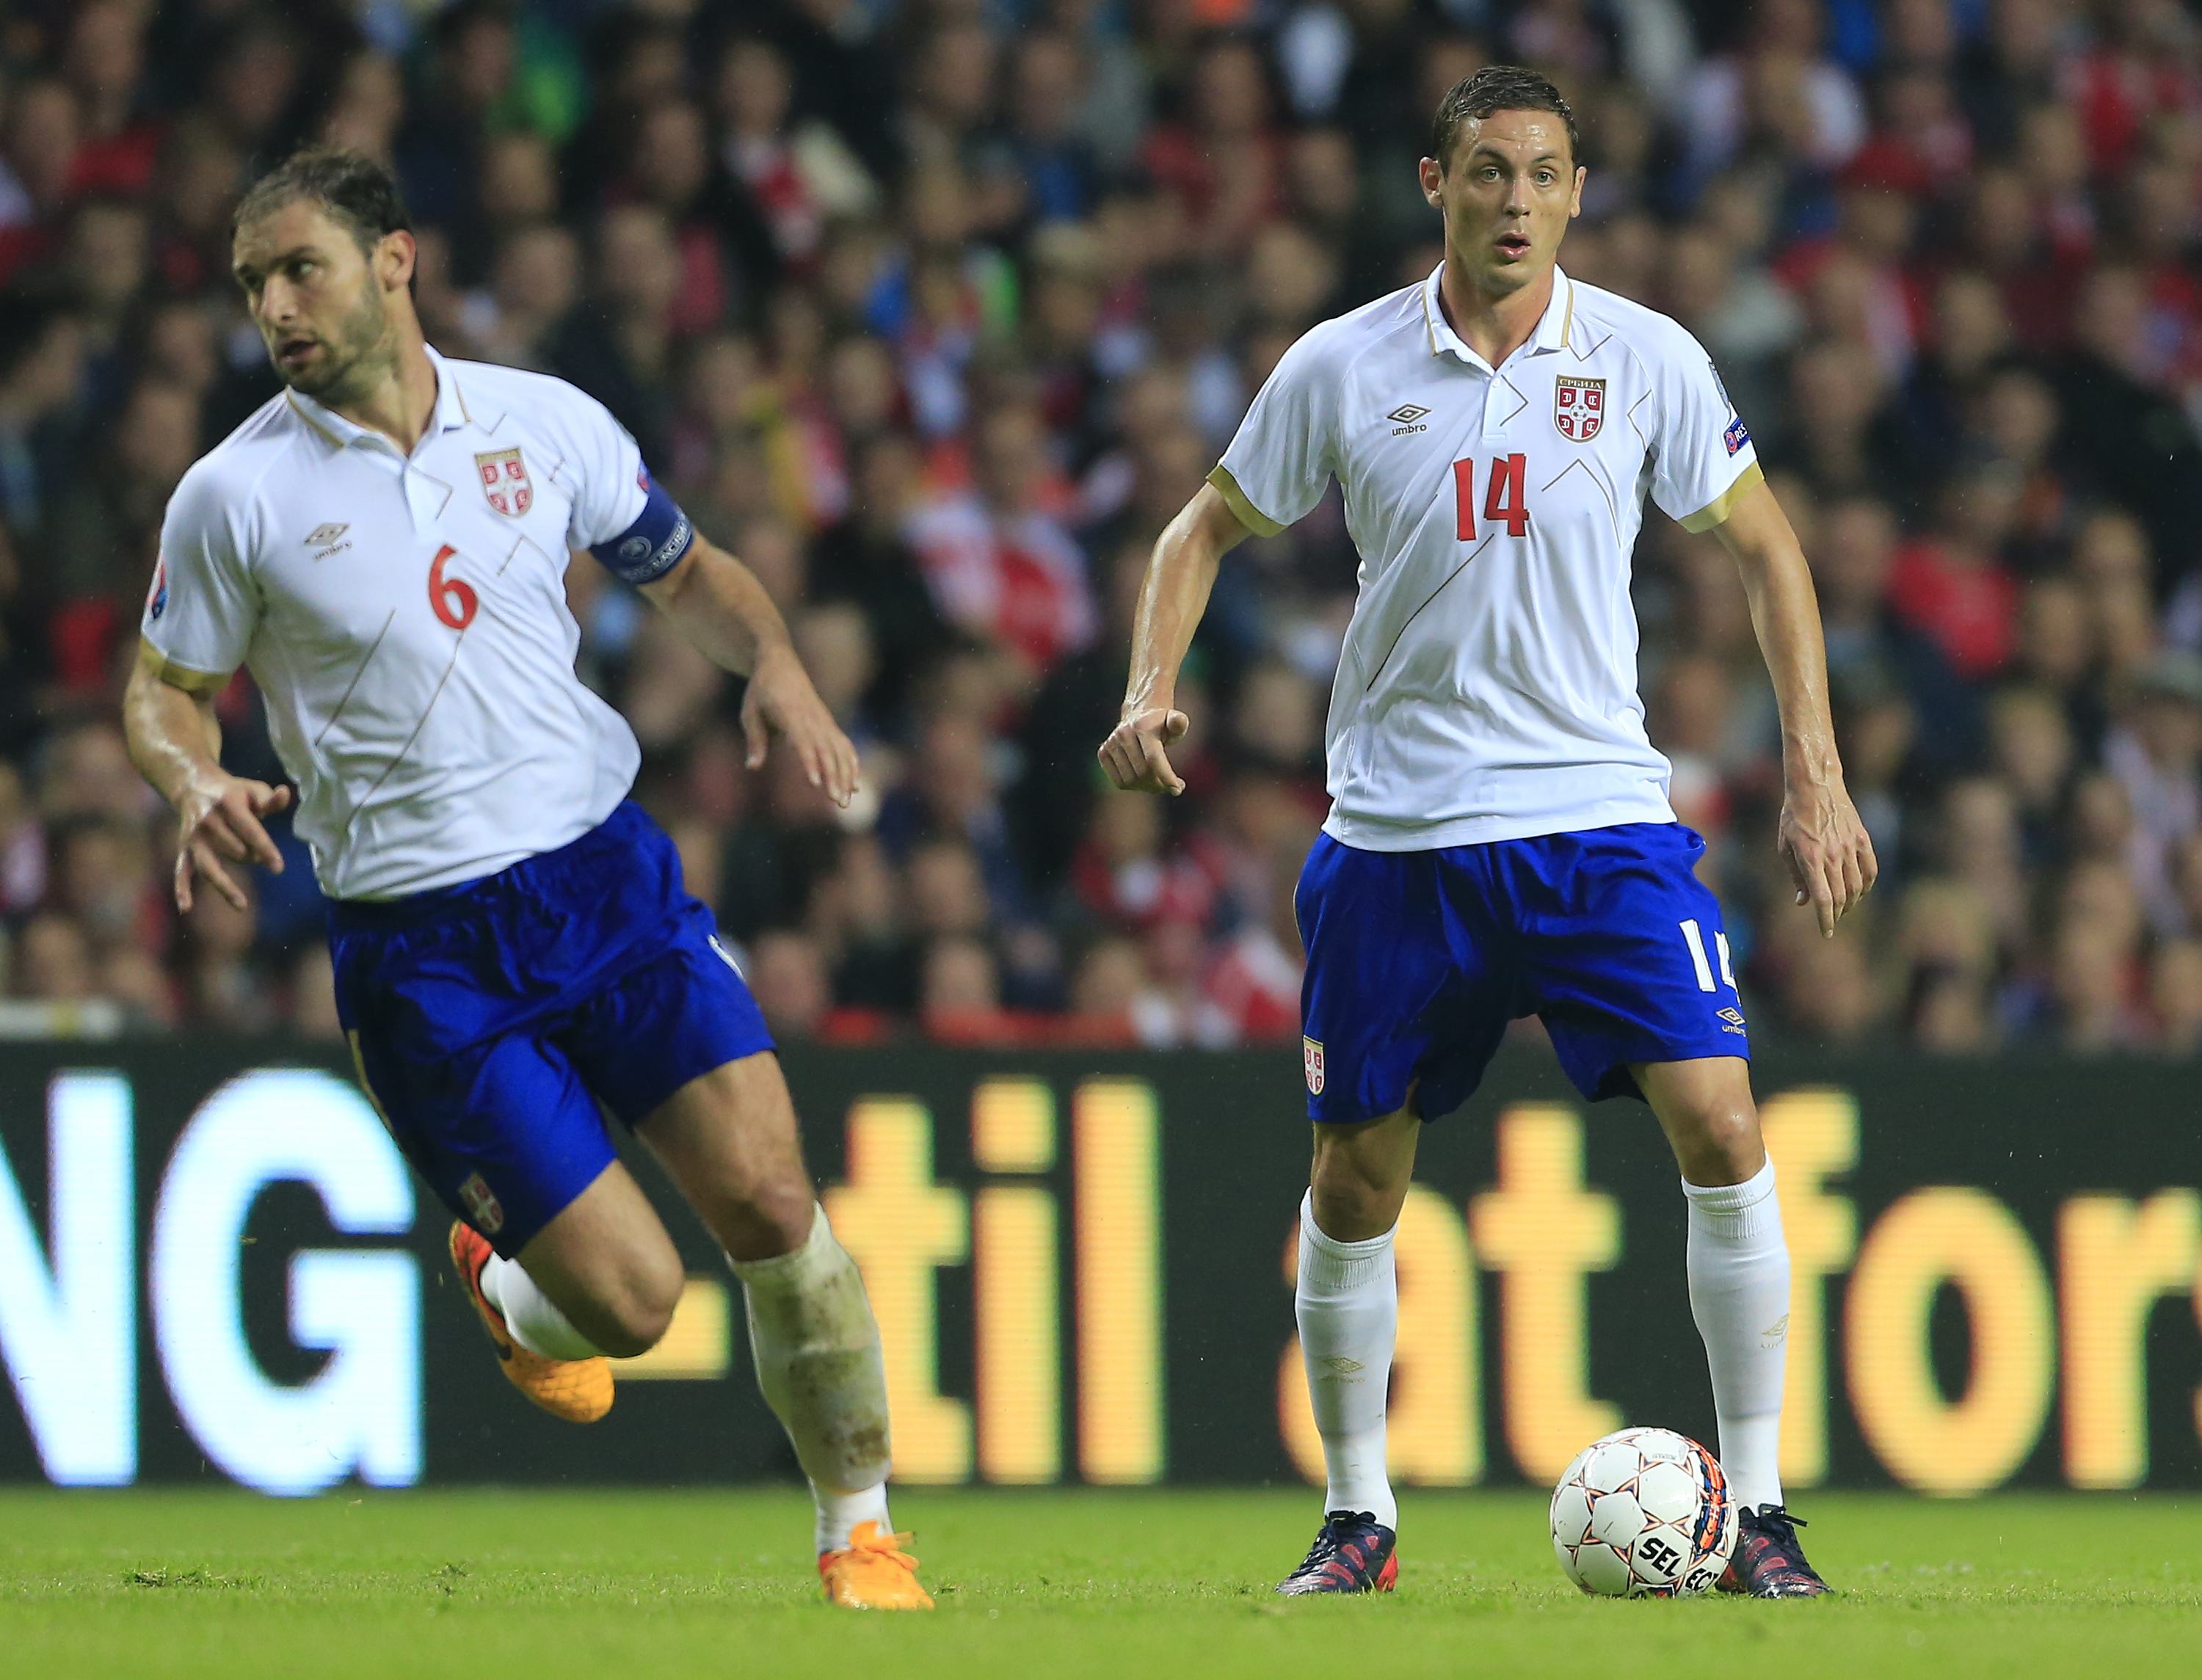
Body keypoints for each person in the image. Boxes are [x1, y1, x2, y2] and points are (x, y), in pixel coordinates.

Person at [1100, 66, 1873, 1599]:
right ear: (1432, 183)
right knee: (1356, 1179)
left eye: (1543, 174)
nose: (1515, 200)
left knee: (1723, 1124)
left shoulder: (1645, 359)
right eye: (1487, 172)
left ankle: (1765, 1509)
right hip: (1398, 834)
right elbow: (1203, 526)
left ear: (1580, 193)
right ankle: (1358, 1515)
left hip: (1598, 818)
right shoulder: (1342, 364)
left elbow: (1770, 554)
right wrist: (1148, 684)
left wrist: (1816, 767)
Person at [120, 147, 931, 1611]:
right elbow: (163, 687)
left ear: (394, 261)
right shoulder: (231, 495)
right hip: (425, 952)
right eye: (252, 283)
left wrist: (779, 662)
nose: (275, 306)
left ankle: (860, 1532)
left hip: (605, 881)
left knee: (770, 1196)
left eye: (299, 267)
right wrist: (193, 774)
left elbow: (684, 570)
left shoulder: (541, 422)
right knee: (634, 1305)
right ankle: (504, 1281)